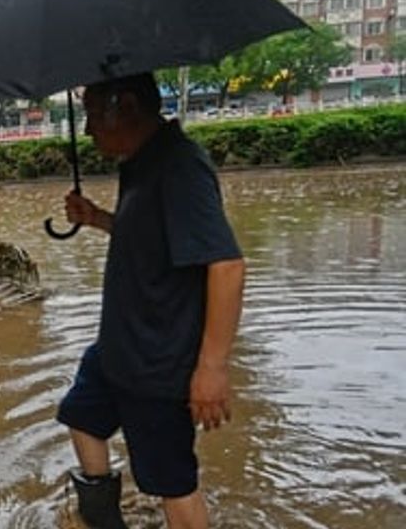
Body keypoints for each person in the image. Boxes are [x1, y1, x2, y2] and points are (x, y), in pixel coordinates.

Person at [56, 73, 246, 529]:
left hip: (157, 363)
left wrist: (212, 368)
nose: (87, 132)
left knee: (171, 484)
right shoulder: (142, 162)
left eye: (92, 116)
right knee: (81, 417)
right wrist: (100, 218)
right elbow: (156, 238)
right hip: (119, 350)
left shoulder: (180, 166)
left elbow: (227, 266)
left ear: (125, 107)